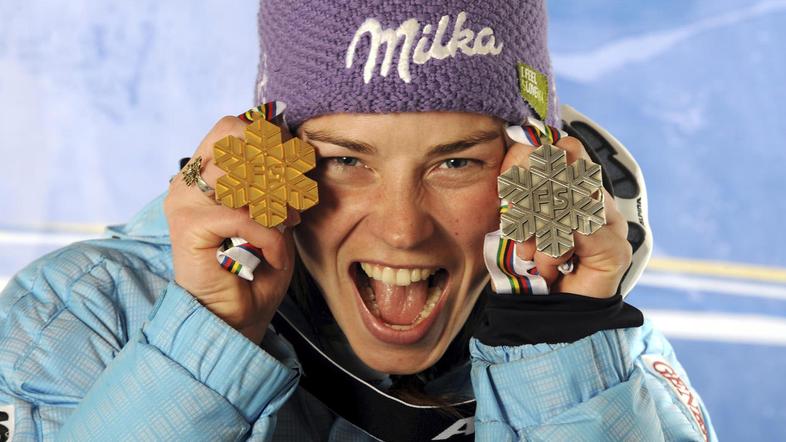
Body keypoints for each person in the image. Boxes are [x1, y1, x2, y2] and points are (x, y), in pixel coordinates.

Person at [0, 0, 716, 440]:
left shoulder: (608, 354)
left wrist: (558, 340)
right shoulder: (84, 312)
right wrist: (204, 338)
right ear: (269, 160)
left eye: (457, 163)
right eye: (345, 160)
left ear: (529, 173)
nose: (402, 230)